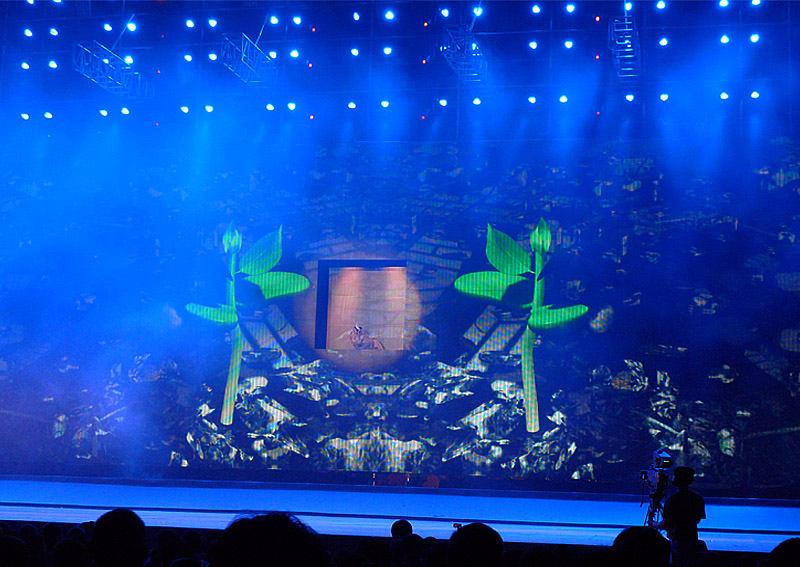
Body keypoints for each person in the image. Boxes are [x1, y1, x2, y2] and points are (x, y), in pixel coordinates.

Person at [662, 466, 706, 567]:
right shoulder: (697, 498)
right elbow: (697, 519)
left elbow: (666, 524)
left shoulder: (672, 500)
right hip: (692, 538)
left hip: (678, 541)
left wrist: (653, 523)